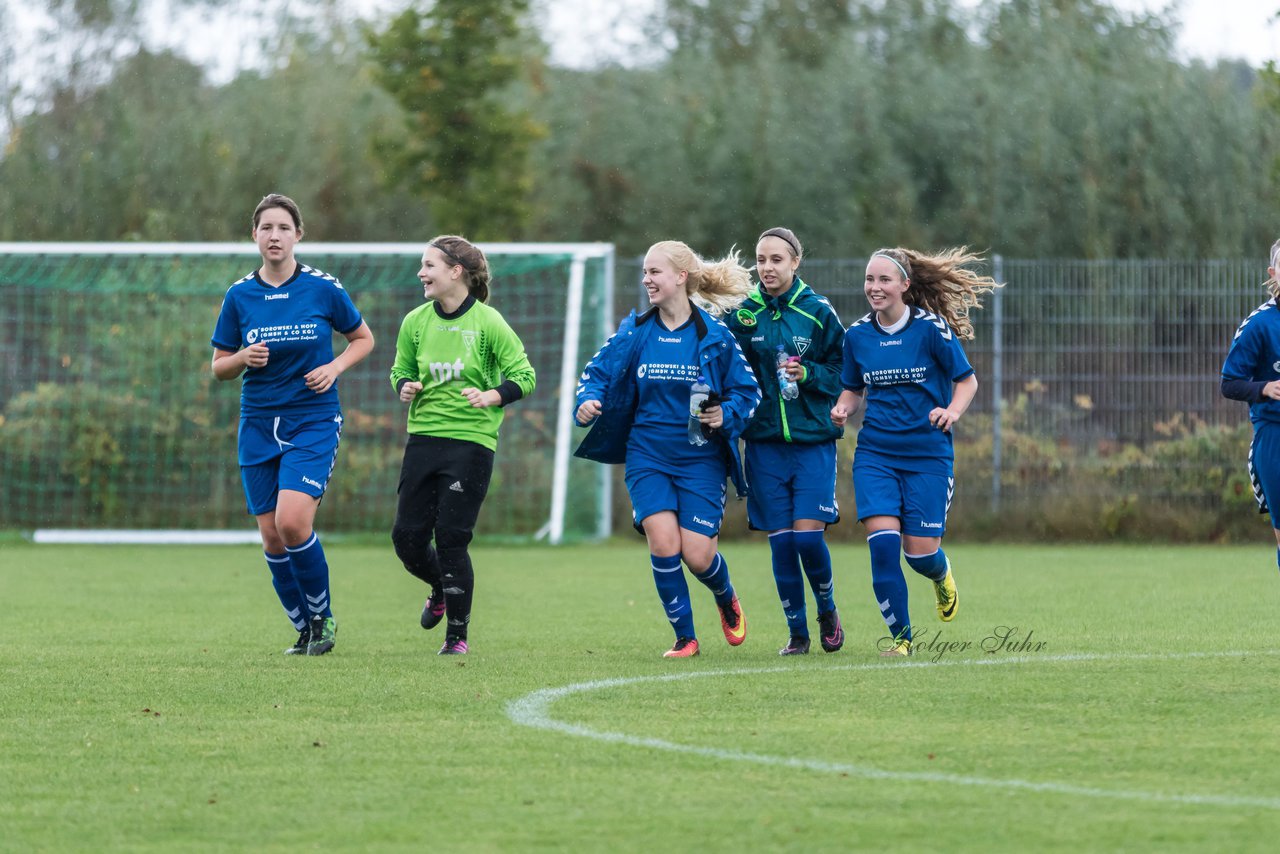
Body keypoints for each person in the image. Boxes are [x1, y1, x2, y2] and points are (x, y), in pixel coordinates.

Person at [575, 240, 760, 658]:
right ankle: (685, 638)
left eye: (654, 272)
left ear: (681, 277)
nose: (646, 280)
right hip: (648, 456)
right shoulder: (636, 332)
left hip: (700, 459)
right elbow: (595, 374)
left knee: (696, 556)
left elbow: (749, 393)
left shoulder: (714, 335)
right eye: (644, 272)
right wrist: (585, 401)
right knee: (663, 543)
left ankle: (724, 593)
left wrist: (724, 413)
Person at [211, 193, 375, 656]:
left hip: (313, 419)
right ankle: (303, 628)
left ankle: (323, 619)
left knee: (292, 522)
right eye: (267, 228)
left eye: (284, 227)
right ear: (255, 236)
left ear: (298, 234)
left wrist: (335, 367)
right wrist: (241, 357)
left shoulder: (323, 287)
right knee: (270, 534)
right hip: (259, 422)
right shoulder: (240, 295)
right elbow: (218, 367)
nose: (275, 236)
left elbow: (363, 339)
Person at [830, 246, 998, 657]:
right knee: (883, 546)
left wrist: (951, 411)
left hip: (928, 456)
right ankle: (902, 639)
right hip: (876, 456)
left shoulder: (931, 330)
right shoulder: (857, 335)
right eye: (870, 279)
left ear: (905, 285)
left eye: (884, 279)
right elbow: (853, 388)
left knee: (919, 555)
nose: (875, 287)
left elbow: (967, 381)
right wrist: (843, 407)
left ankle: (940, 575)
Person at [389, 235, 536, 656]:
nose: (421, 273)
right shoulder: (415, 321)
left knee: (451, 537)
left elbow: (524, 376)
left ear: (456, 272)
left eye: (429, 265)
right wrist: (405, 386)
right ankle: (439, 587)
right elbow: (399, 368)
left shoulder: (488, 323)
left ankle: (457, 637)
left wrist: (492, 396)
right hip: (423, 440)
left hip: (471, 444)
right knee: (406, 538)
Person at [727, 227, 847, 656]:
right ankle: (797, 633)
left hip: (812, 441)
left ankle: (827, 609)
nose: (767, 268)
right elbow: (724, 366)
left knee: (807, 540)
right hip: (762, 445)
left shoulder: (818, 312)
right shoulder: (742, 314)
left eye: (776, 259)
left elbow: (845, 372)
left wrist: (809, 374)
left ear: (795, 262)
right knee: (781, 545)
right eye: (761, 260)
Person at [1221, 239, 1280, 570]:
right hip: (1274, 436)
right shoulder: (1259, 324)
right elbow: (1229, 384)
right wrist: (1264, 388)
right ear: (1274, 273)